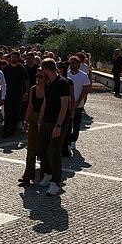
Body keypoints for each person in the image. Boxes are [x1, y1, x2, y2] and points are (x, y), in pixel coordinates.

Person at [37, 58, 70, 196]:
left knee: (54, 153)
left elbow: (64, 106)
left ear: (46, 69)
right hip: (46, 122)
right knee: (42, 149)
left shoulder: (63, 83)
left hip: (57, 123)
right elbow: (45, 102)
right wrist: (41, 119)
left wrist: (58, 125)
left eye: (42, 70)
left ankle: (56, 183)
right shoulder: (49, 83)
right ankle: (48, 174)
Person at [19, 68, 45, 184]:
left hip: (45, 119)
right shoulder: (33, 89)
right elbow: (30, 105)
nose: (38, 78)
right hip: (34, 117)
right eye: (37, 76)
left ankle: (44, 175)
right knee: (31, 148)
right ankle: (28, 175)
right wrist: (26, 121)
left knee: (44, 148)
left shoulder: (49, 89)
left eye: (40, 76)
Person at [2, 51, 29, 138]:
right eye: (12, 57)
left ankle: (13, 129)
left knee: (16, 112)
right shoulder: (6, 68)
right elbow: (2, 82)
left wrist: (26, 92)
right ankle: (7, 130)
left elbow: (26, 80)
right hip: (8, 93)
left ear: (18, 58)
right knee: (7, 112)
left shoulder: (21, 68)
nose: (13, 58)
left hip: (18, 93)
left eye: (15, 57)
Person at [66, 56, 90, 150]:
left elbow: (85, 89)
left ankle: (73, 140)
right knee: (68, 124)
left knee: (76, 124)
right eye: (70, 63)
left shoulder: (83, 75)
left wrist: (78, 101)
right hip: (68, 104)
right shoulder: (67, 75)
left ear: (78, 64)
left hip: (78, 104)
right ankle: (67, 141)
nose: (72, 65)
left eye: (74, 63)